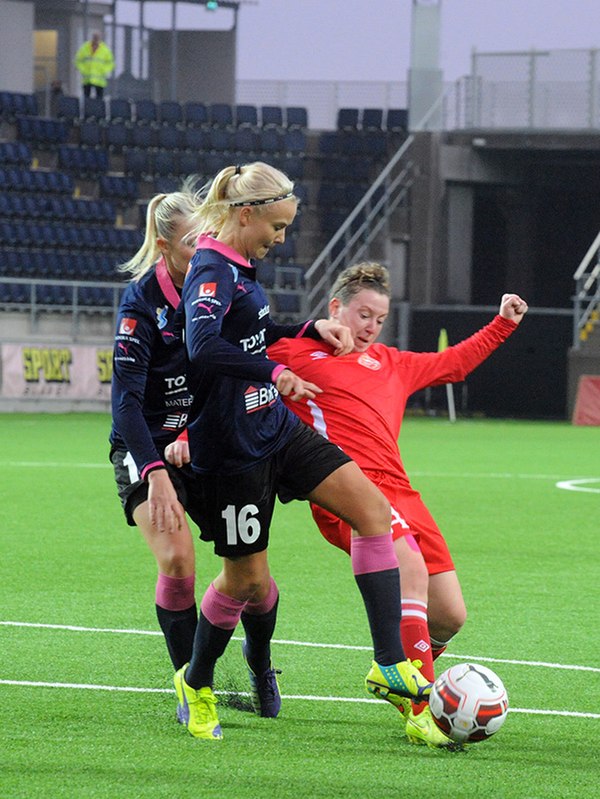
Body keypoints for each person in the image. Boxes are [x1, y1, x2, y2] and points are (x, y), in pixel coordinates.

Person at [171, 162, 433, 741]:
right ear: (247, 214)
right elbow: (203, 346)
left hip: (276, 428)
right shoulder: (211, 268)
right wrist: (274, 369)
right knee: (244, 583)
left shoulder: (242, 265)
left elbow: (250, 332)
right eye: (278, 226)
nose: (281, 238)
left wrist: (308, 329)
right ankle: (196, 681)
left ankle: (388, 663)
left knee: (370, 512)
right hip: (233, 449)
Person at [267, 261, 528, 749]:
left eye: (379, 319)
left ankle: (405, 668)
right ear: (335, 308)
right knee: (406, 563)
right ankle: (420, 706)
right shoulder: (294, 353)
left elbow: (454, 363)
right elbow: (234, 360)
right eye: (363, 314)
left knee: (450, 614)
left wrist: (503, 323)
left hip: (402, 491)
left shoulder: (392, 363)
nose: (370, 327)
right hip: (345, 488)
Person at [110, 188, 202, 677]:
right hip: (144, 446)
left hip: (199, 440)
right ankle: (191, 683)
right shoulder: (141, 303)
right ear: (165, 246)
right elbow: (124, 403)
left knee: (250, 565)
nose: (202, 250)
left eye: (206, 238)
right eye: (191, 242)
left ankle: (260, 661)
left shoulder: (217, 287)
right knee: (177, 558)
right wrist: (155, 471)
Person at [74, 31, 115, 99]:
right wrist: (83, 70)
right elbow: (78, 60)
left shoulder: (105, 50)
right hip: (87, 79)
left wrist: (104, 70)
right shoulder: (84, 48)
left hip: (100, 80)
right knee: (86, 99)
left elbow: (111, 63)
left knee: (99, 99)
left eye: (97, 37)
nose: (96, 39)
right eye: (95, 37)